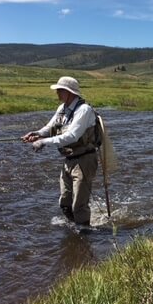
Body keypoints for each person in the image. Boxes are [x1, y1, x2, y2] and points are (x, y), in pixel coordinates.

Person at [22, 76, 99, 226]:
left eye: (60, 90)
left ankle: (84, 235)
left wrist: (43, 142)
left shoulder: (84, 110)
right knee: (65, 202)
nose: (57, 93)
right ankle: (76, 229)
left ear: (70, 92)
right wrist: (36, 134)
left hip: (85, 160)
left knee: (79, 206)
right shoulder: (62, 108)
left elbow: (71, 136)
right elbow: (50, 128)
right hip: (69, 160)